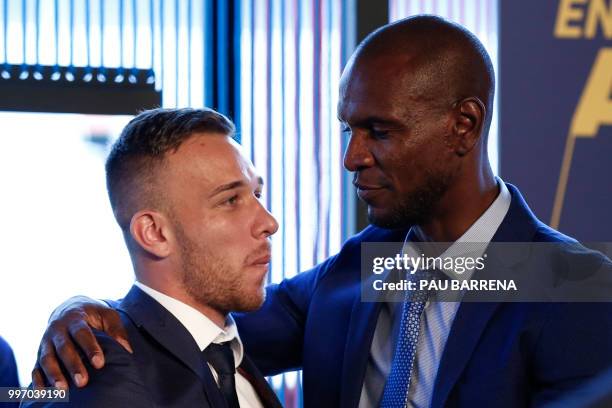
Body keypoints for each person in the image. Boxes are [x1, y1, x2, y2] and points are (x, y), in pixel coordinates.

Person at [30, 15, 612, 408]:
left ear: (463, 125)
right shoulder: (359, 267)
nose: (353, 156)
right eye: (349, 129)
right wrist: (85, 309)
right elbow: (192, 325)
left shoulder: (573, 286)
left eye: (378, 131)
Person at [24, 108, 282, 407]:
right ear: (154, 233)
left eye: (257, 195)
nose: (269, 223)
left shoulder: (231, 353)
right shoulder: (99, 371)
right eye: (230, 200)